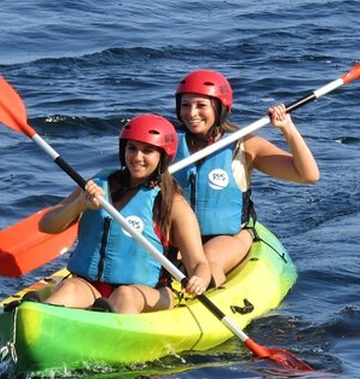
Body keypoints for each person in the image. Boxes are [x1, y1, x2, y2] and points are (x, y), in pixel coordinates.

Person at [38, 113, 211, 314]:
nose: (137, 157)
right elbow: (47, 225)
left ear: (163, 156)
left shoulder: (173, 203)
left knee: (124, 295)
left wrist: (199, 280)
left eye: (148, 151)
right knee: (68, 288)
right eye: (132, 149)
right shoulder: (99, 184)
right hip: (90, 286)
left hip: (148, 292)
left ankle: (114, 332)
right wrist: (79, 205)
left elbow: (199, 263)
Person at [173, 69, 320, 287]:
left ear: (219, 108)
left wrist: (287, 129)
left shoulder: (245, 145)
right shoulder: (168, 146)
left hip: (228, 236)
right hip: (178, 236)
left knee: (207, 262)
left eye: (201, 105)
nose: (192, 113)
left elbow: (308, 175)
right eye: (186, 105)